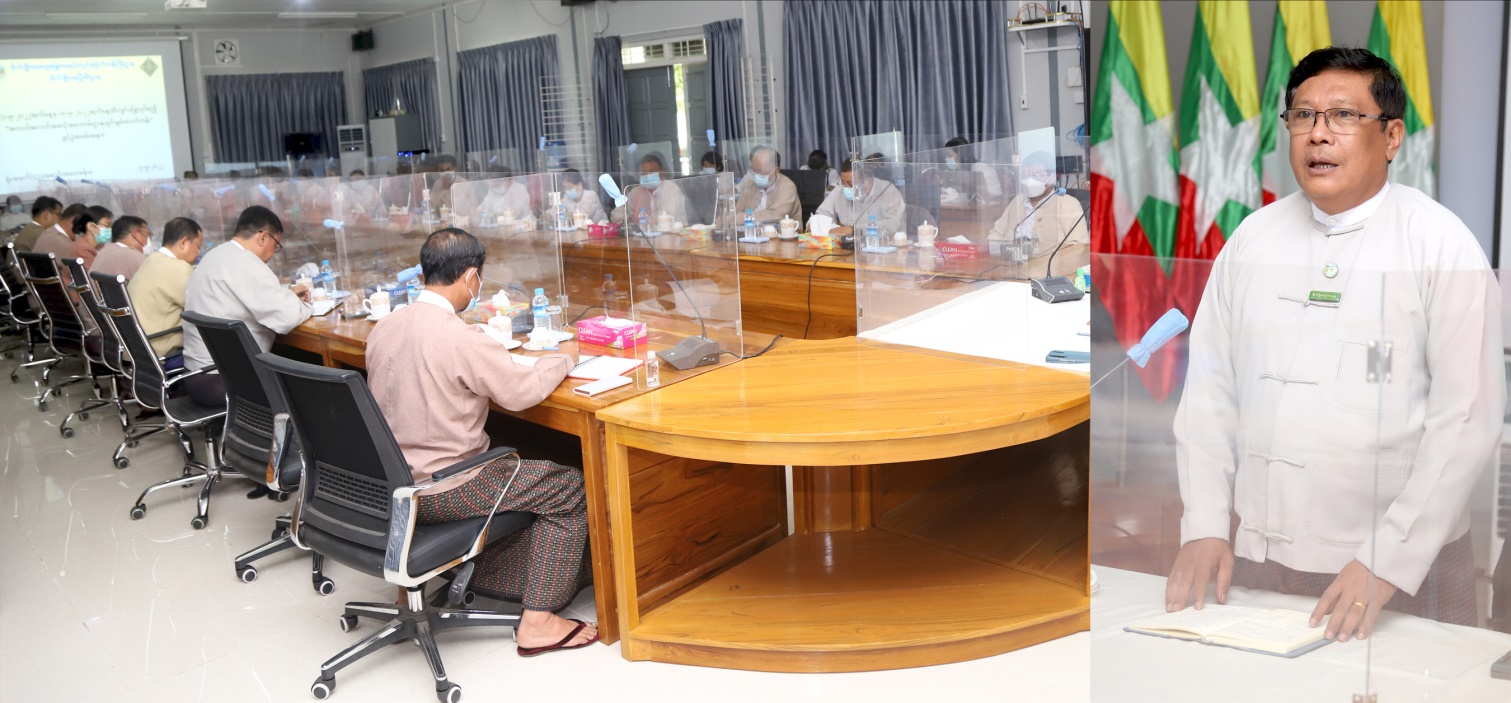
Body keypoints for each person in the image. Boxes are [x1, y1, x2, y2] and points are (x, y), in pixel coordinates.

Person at [1167, 47, 1505, 642]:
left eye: (1343, 116)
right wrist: (1205, 522)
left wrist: (1387, 560)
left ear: (1392, 136)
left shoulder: (1440, 244)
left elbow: (1467, 420)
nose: (1318, 134)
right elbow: (1209, 394)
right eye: (1303, 115)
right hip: (1256, 554)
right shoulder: (1252, 239)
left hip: (1396, 567)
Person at [365, 228, 597, 655]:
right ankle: (538, 622)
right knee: (570, 488)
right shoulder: (460, 337)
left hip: (390, 485)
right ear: (471, 276)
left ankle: (407, 592)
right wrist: (565, 357)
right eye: (481, 279)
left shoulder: (385, 326)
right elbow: (520, 393)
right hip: (445, 487)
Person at [180, 206, 312, 406]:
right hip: (225, 381)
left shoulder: (216, 255)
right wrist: (308, 304)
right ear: (263, 237)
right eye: (275, 245)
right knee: (311, 377)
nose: (273, 253)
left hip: (198, 375)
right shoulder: (246, 262)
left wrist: (286, 293)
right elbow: (288, 317)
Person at [986, 151, 1087, 276]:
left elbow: (1079, 248)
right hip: (1008, 269)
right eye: (1026, 175)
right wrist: (998, 254)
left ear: (1052, 177)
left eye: (1037, 175)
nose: (1030, 180)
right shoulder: (1018, 200)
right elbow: (996, 234)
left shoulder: (1068, 204)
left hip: (1049, 273)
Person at [128, 217, 202, 369]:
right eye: (198, 246)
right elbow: (204, 308)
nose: (198, 253)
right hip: (162, 354)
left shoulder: (152, 259)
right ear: (184, 242)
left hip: (137, 350)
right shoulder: (178, 268)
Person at [812, 158, 905, 236]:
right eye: (843, 182)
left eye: (850, 183)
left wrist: (855, 230)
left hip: (884, 246)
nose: (846, 187)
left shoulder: (887, 190)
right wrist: (816, 224)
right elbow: (821, 215)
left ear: (867, 179)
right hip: (847, 247)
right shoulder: (839, 190)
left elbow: (892, 224)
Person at [612, 153, 688, 227]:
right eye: (644, 173)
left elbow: (666, 218)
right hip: (642, 234)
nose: (648, 176)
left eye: (652, 172)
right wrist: (628, 218)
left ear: (662, 172)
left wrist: (638, 219)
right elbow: (616, 215)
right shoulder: (637, 191)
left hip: (673, 233)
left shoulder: (671, 189)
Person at [730, 146, 800, 223]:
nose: (756, 175)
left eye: (760, 172)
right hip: (749, 229)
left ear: (776, 171)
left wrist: (744, 217)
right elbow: (736, 213)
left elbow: (776, 215)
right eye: (754, 171)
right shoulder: (750, 185)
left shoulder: (787, 186)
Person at [92, 215, 151, 280]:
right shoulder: (133, 256)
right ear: (135, 234)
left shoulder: (104, 252)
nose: (148, 240)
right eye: (147, 235)